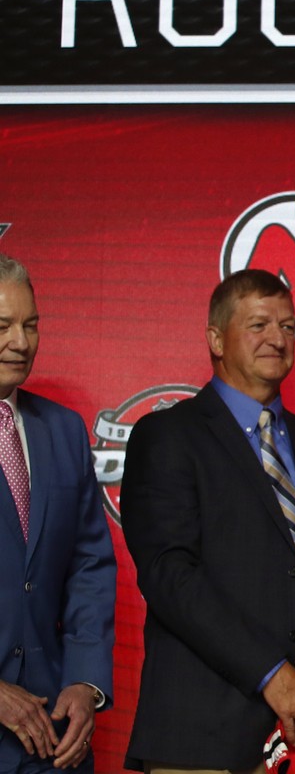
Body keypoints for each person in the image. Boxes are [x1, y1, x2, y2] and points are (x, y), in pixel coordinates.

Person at [121, 269, 295, 773]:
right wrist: (273, 676)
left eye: (289, 326)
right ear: (215, 338)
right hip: (200, 737)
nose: (277, 339)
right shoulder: (167, 436)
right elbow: (170, 575)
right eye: (258, 325)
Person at [0, 254, 115, 772]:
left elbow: (89, 565)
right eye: (2, 326)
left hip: (54, 742)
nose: (21, 343)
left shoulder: (65, 430)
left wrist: (86, 682)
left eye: (31, 325)